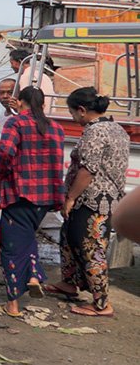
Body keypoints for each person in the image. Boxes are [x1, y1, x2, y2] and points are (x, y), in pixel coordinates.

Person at [48, 88, 128, 317]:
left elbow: (88, 169)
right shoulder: (117, 128)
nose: (73, 117)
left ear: (81, 110)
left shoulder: (94, 132)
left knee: (92, 249)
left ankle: (102, 303)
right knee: (68, 237)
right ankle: (69, 282)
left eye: (72, 112)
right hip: (110, 198)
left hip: (93, 200)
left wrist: (71, 197)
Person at [0, 87, 65, 317]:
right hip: (46, 197)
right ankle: (34, 276)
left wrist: (0, 173)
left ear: (21, 103)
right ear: (43, 105)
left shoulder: (15, 123)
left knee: (11, 248)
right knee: (25, 239)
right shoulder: (56, 127)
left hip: (19, 193)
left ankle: (13, 304)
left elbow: (4, 154)